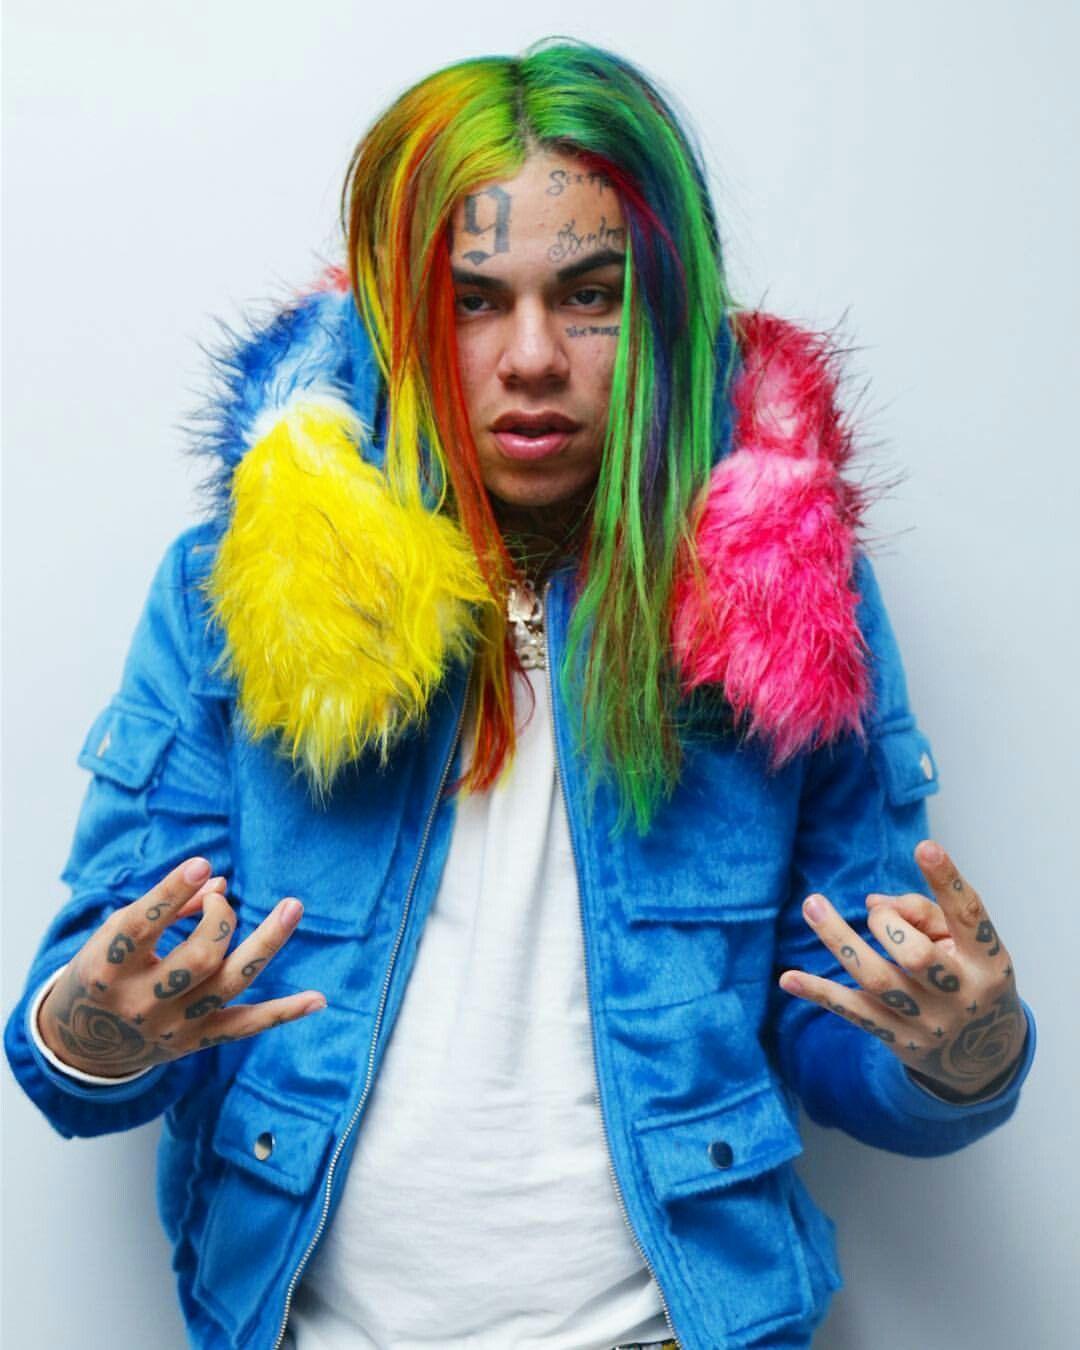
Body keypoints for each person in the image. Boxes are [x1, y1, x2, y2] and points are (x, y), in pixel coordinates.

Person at [4, 37, 1036, 1350]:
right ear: (396, 314)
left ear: (662, 305)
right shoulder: (234, 592)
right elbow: (75, 1047)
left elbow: (850, 1012)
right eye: (473, 301)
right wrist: (101, 1027)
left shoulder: (776, 591)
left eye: (589, 295)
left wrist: (959, 1049)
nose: (533, 356)